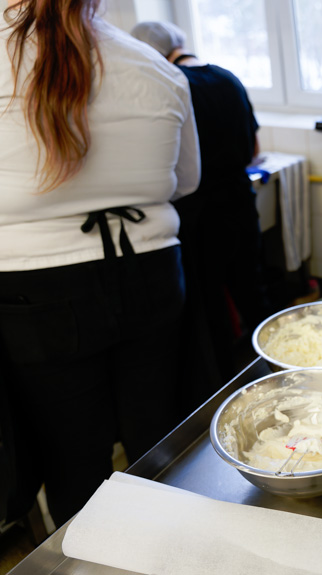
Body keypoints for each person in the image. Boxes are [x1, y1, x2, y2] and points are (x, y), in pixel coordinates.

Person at [0, 0, 199, 527]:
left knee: (73, 460)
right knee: (156, 442)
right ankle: (168, 549)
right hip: (152, 271)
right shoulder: (154, 66)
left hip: (36, 291)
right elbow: (187, 181)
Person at [130, 21, 272, 410]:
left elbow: (170, 166)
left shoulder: (167, 86)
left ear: (152, 54)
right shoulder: (227, 78)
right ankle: (280, 371)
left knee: (211, 310)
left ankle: (226, 399)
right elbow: (253, 149)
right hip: (240, 203)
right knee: (252, 292)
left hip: (198, 216)